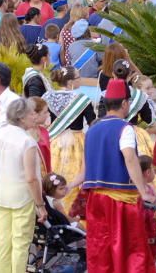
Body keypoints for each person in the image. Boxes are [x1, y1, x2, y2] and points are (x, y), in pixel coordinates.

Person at [81, 78, 156, 273]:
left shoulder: (92, 129)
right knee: (130, 251)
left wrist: (71, 185)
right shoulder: (125, 128)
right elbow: (130, 159)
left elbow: (86, 167)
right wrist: (143, 191)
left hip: (96, 200)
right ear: (124, 103)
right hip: (120, 202)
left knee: (101, 248)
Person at [0, 98, 45, 273]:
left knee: (2, 242)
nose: (34, 116)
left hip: (0, 191)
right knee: (20, 243)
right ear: (22, 117)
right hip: (21, 196)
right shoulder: (26, 141)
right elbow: (31, 178)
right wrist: (40, 205)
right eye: (31, 113)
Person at [43, 66, 96, 211]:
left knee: (54, 170)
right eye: (78, 77)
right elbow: (92, 123)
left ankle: (54, 208)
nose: (80, 80)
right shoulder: (82, 99)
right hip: (77, 141)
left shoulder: (48, 97)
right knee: (76, 173)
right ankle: (72, 211)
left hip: (55, 140)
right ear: (71, 82)